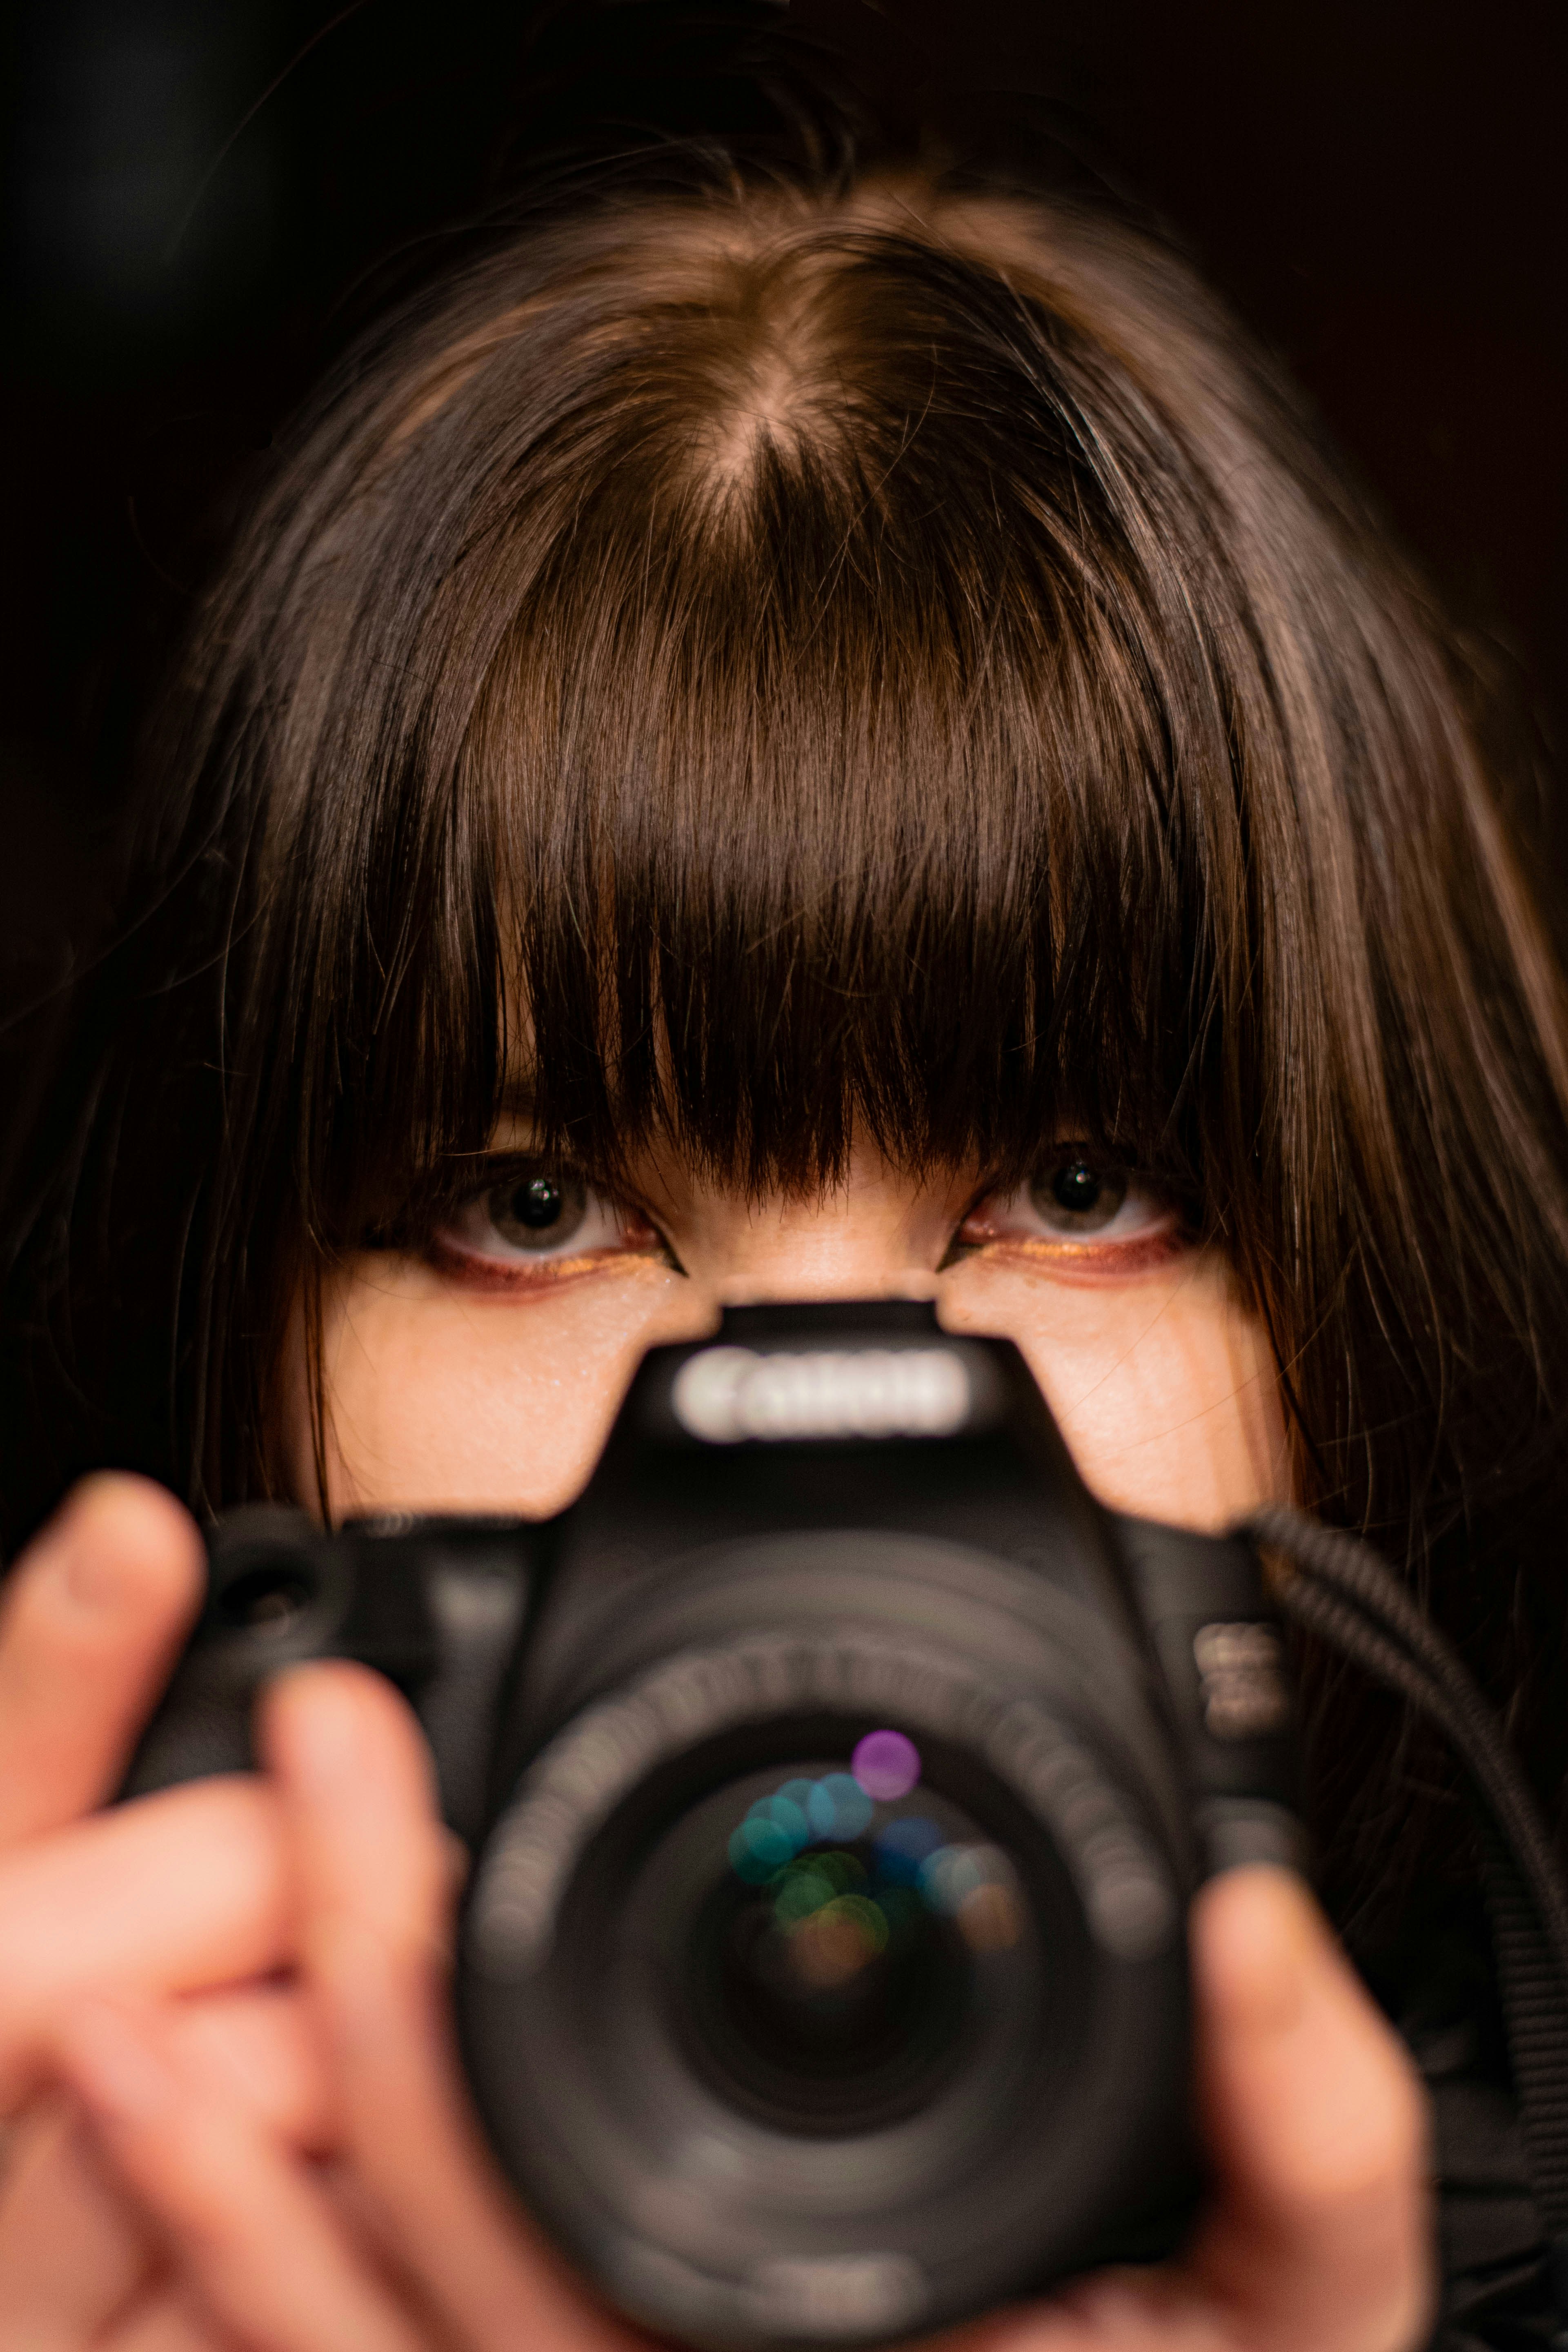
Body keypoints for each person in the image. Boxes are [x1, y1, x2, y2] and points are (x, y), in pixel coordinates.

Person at [1, 96, 1565, 2352]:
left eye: (1072, 1189)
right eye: (535, 1205)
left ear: (1380, 1316)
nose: (819, 1425)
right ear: (237, 1360)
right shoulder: (106, 2192)